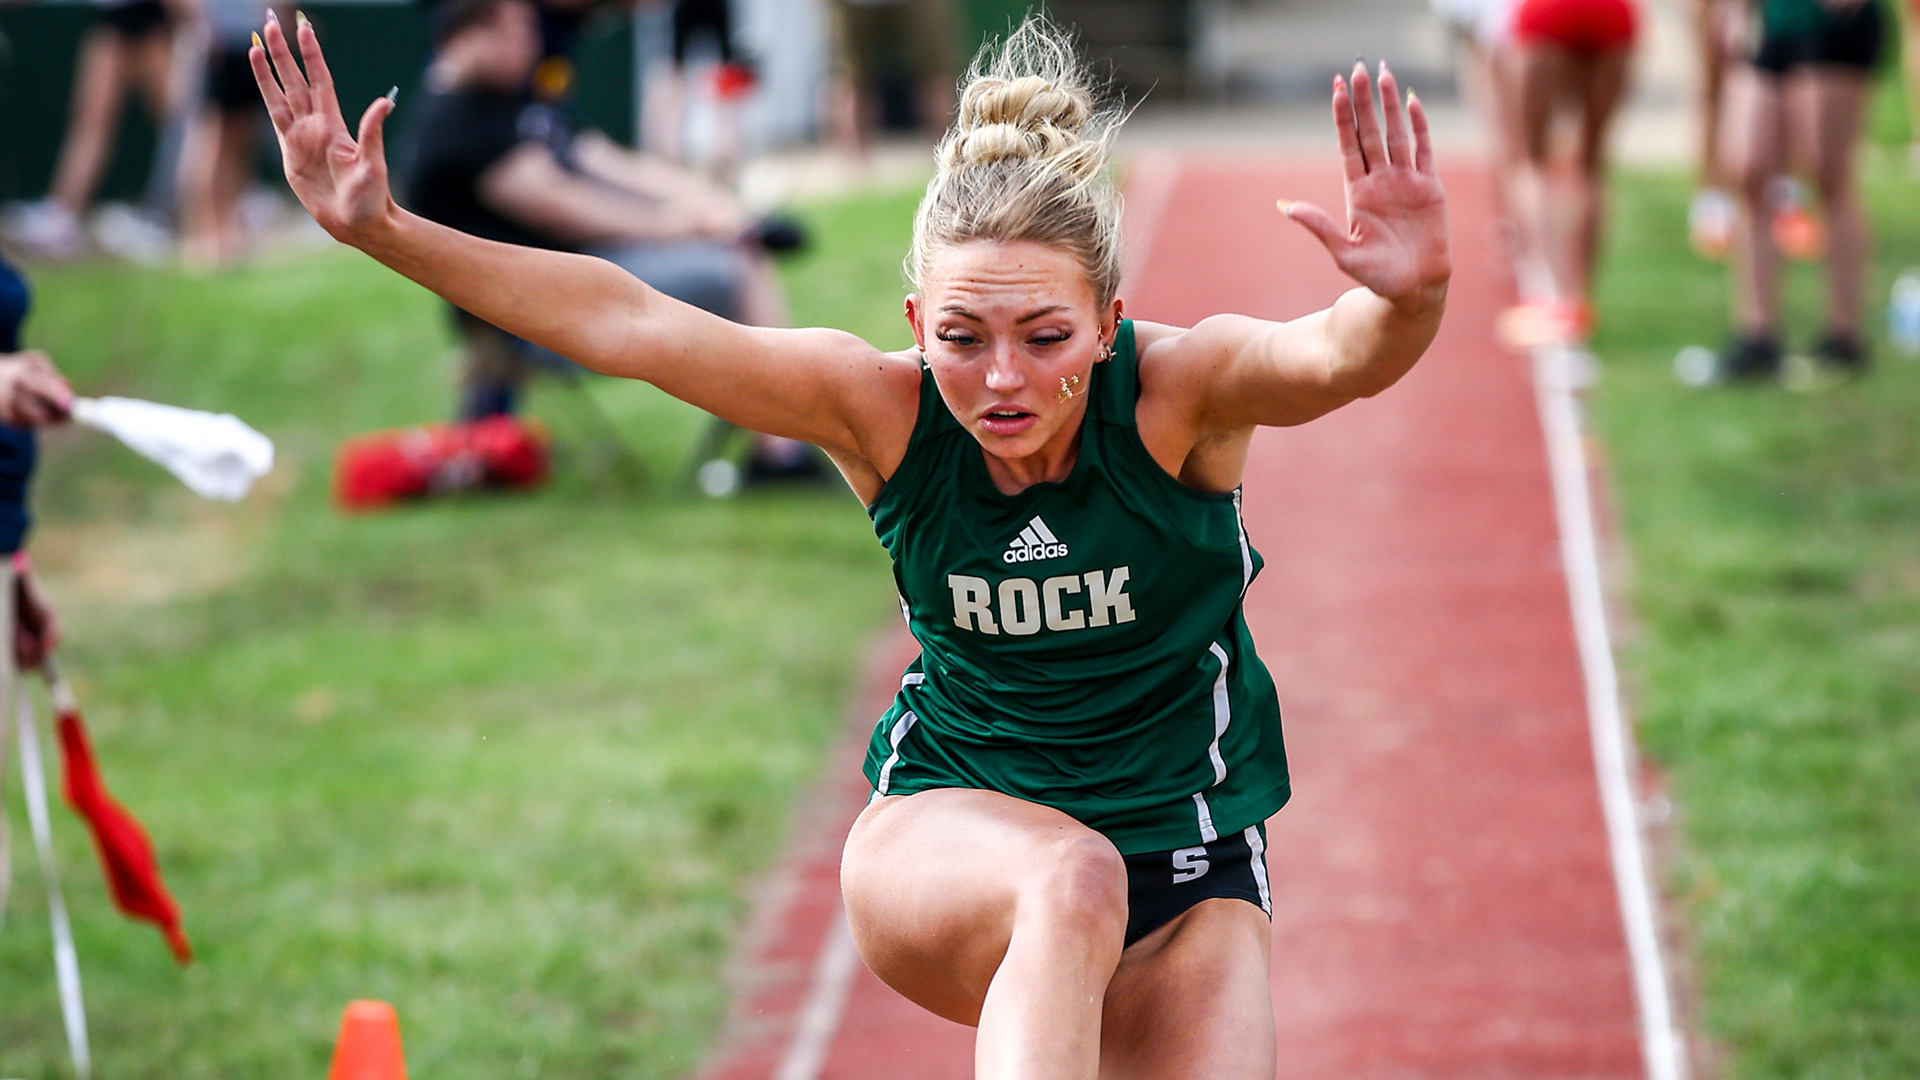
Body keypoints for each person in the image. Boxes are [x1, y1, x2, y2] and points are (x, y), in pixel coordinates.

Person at [252, 13, 1450, 1071]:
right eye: (965, 337)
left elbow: (1333, 357)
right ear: (918, 323)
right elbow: (628, 320)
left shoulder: (1181, 394)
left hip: (1189, 875)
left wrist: (1409, 297)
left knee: (1104, 895)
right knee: (1067, 873)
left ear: (1108, 325)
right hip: (950, 834)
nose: (1001, 378)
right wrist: (387, 230)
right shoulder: (876, 407)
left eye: (1043, 336)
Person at [396, 0, 812, 483]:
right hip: (539, 319)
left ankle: (779, 448)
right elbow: (562, 206)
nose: (532, 45)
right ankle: (781, 457)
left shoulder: (501, 100)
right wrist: (683, 224)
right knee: (738, 265)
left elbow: (597, 158)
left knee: (738, 249)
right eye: (517, 31)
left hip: (570, 286)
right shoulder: (455, 124)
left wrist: (708, 201)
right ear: (469, 35)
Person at [1712, 0, 1887, 381]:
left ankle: (1844, 335)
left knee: (1827, 172)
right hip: (1770, 20)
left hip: (1832, 23)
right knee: (1748, 168)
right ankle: (1757, 333)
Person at [4, 0, 199, 260]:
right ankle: (62, 216)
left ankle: (177, 211)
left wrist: (191, 16)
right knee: (93, 119)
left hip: (147, 15)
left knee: (179, 115)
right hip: (115, 15)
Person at [1496, 0, 1638, 349]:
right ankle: (1577, 301)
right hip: (1611, 13)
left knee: (1530, 161)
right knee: (1591, 165)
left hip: (1549, 12)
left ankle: (1556, 301)